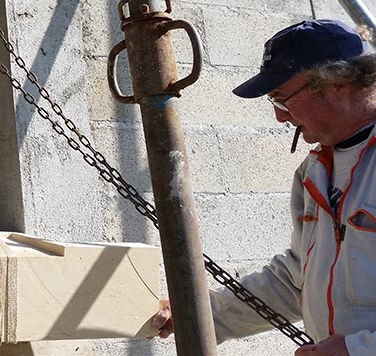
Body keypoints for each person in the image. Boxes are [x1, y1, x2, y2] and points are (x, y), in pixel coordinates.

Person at [152, 19, 376, 356]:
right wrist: (197, 314)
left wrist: (359, 349)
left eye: (282, 100)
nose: (280, 118)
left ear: (338, 83)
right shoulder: (313, 174)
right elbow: (294, 281)